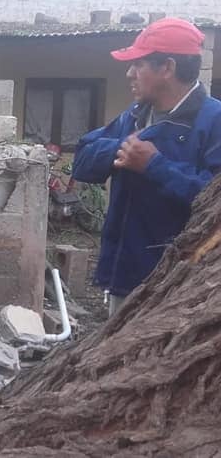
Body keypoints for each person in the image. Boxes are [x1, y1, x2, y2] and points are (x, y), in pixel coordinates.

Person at [72, 18, 221, 317]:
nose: (129, 73)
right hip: (124, 277)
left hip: (180, 290)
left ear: (167, 68)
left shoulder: (213, 121)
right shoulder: (135, 116)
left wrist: (155, 165)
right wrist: (120, 148)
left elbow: (215, 202)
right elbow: (83, 160)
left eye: (138, 65)